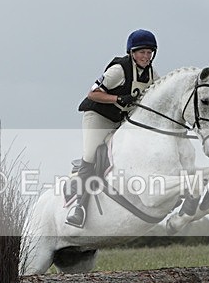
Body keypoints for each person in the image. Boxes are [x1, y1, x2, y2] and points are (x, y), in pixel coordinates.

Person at [66, 29, 159, 228]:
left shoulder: (152, 75)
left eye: (149, 52)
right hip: (99, 116)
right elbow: (92, 94)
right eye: (142, 52)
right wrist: (118, 98)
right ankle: (79, 208)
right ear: (132, 53)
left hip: (122, 121)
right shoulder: (118, 69)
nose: (146, 56)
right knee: (91, 154)